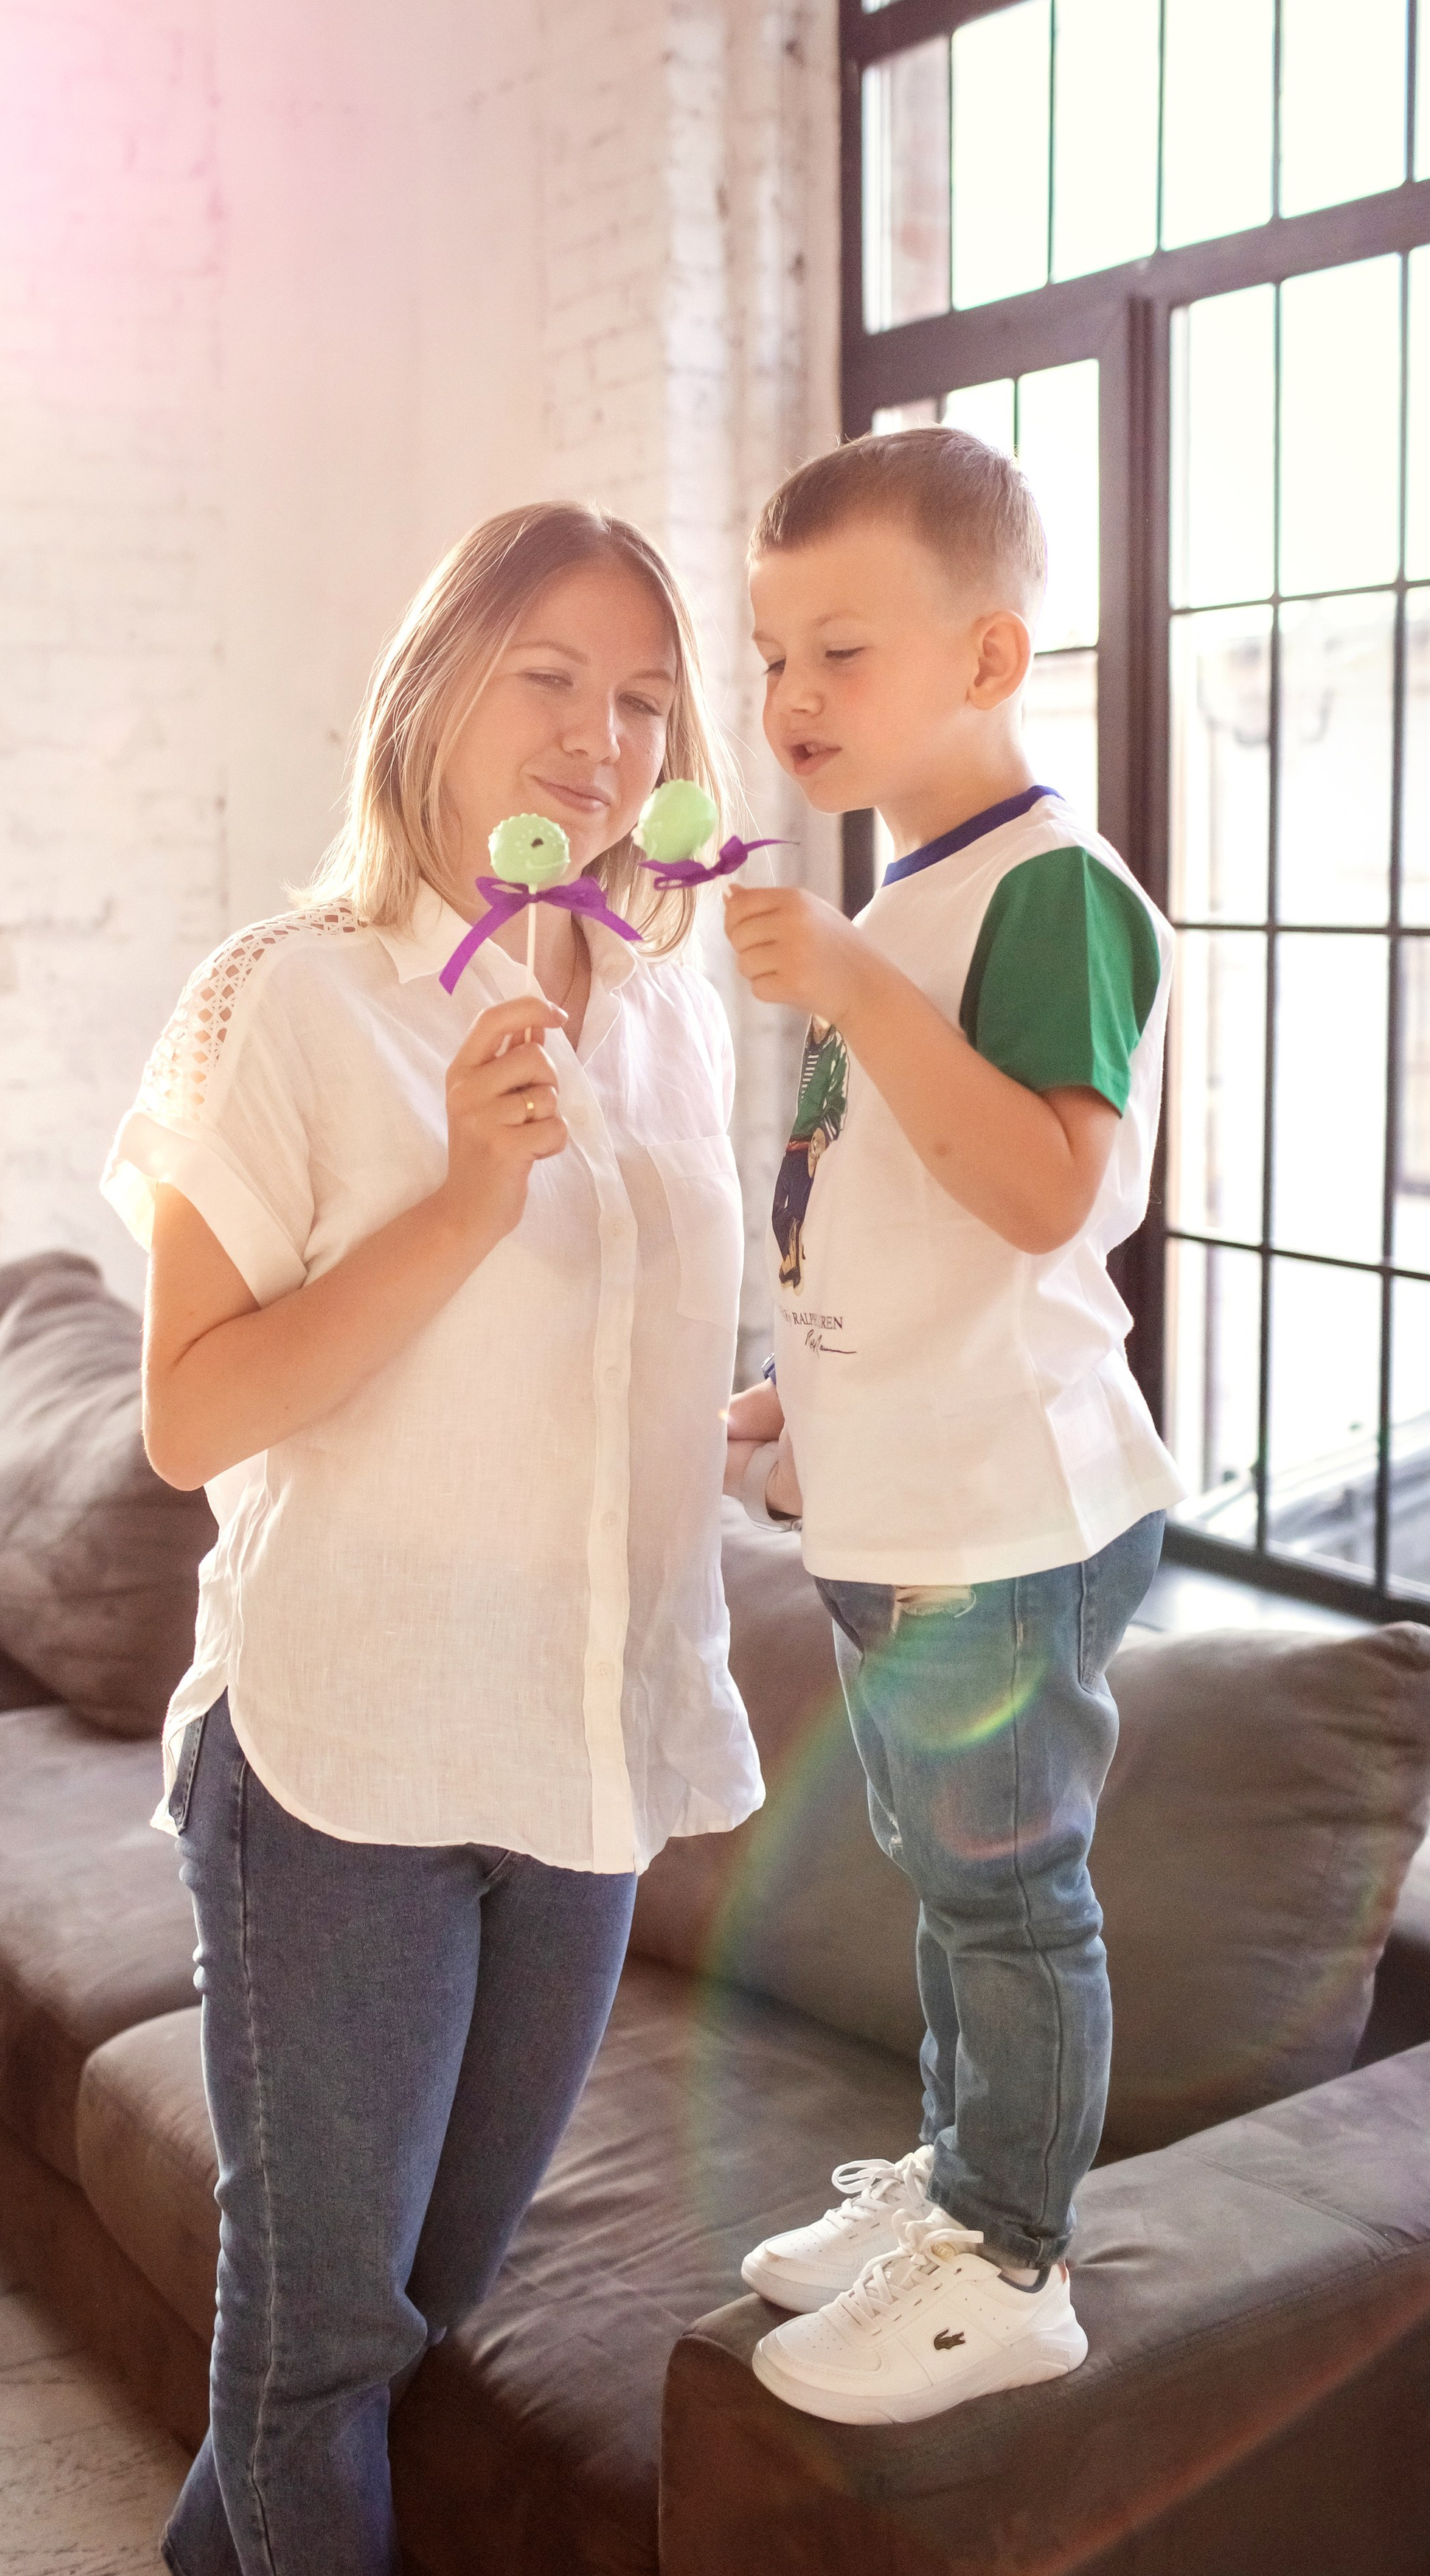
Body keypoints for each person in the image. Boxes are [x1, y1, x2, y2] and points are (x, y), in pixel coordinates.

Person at [102, 501, 763, 2575]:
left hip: (580, 1763)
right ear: (439, 690)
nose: (599, 732)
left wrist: (781, 1417)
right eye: (550, 674)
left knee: (396, 2322)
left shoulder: (673, 1005)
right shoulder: (293, 998)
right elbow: (192, 1411)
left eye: (643, 695)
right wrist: (462, 1202)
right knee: (311, 2356)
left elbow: (621, 1372)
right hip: (344, 1763)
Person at [719, 426, 1181, 2426]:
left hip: (1010, 1511)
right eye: (770, 656)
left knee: (1007, 1895)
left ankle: (1008, 2256)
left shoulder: (1048, 891)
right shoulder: (904, 899)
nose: (789, 699)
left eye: (842, 650)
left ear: (991, 657)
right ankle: (959, 2178)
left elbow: (1039, 1189)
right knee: (949, 1879)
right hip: (904, 1502)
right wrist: (794, 1387)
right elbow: (897, 1221)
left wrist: (846, 986)